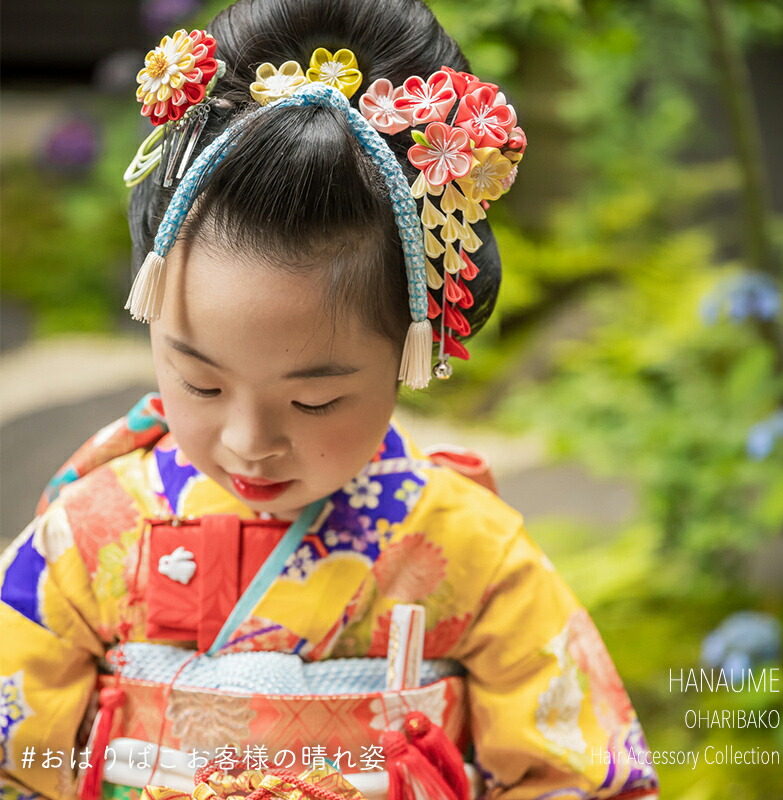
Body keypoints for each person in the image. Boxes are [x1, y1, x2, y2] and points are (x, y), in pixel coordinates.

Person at [0, 1, 660, 799]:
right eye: (200, 382)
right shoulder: (87, 539)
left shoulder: (472, 556)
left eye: (315, 403)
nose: (249, 441)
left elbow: (580, 777)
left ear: (411, 355)